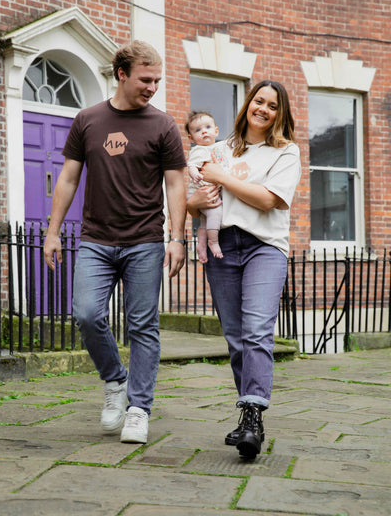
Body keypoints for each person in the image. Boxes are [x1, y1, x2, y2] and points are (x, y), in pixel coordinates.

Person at [44, 40, 187, 445]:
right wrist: (53, 232)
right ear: (121, 74)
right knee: (87, 314)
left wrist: (177, 238)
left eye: (157, 79)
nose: (152, 87)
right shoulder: (88, 119)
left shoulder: (163, 125)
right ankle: (114, 382)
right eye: (145, 79)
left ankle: (139, 408)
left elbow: (176, 183)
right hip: (96, 239)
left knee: (143, 325)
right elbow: (68, 177)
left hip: (145, 239)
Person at [187, 80, 301, 458]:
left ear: (279, 113)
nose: (263, 109)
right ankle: (251, 413)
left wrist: (222, 178)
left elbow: (269, 200)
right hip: (224, 248)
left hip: (264, 248)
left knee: (256, 331)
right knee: (236, 337)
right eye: (259, 101)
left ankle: (251, 416)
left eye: (272, 105)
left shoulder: (285, 153)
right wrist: (193, 202)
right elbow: (194, 198)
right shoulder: (217, 149)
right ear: (247, 104)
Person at [185, 111, 228, 263]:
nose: (203, 131)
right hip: (201, 192)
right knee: (215, 213)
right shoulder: (200, 150)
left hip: (207, 192)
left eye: (208, 127)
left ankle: (201, 246)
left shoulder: (219, 148)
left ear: (216, 131)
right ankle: (213, 242)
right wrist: (194, 173)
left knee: (204, 222)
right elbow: (191, 165)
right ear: (191, 138)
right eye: (198, 130)